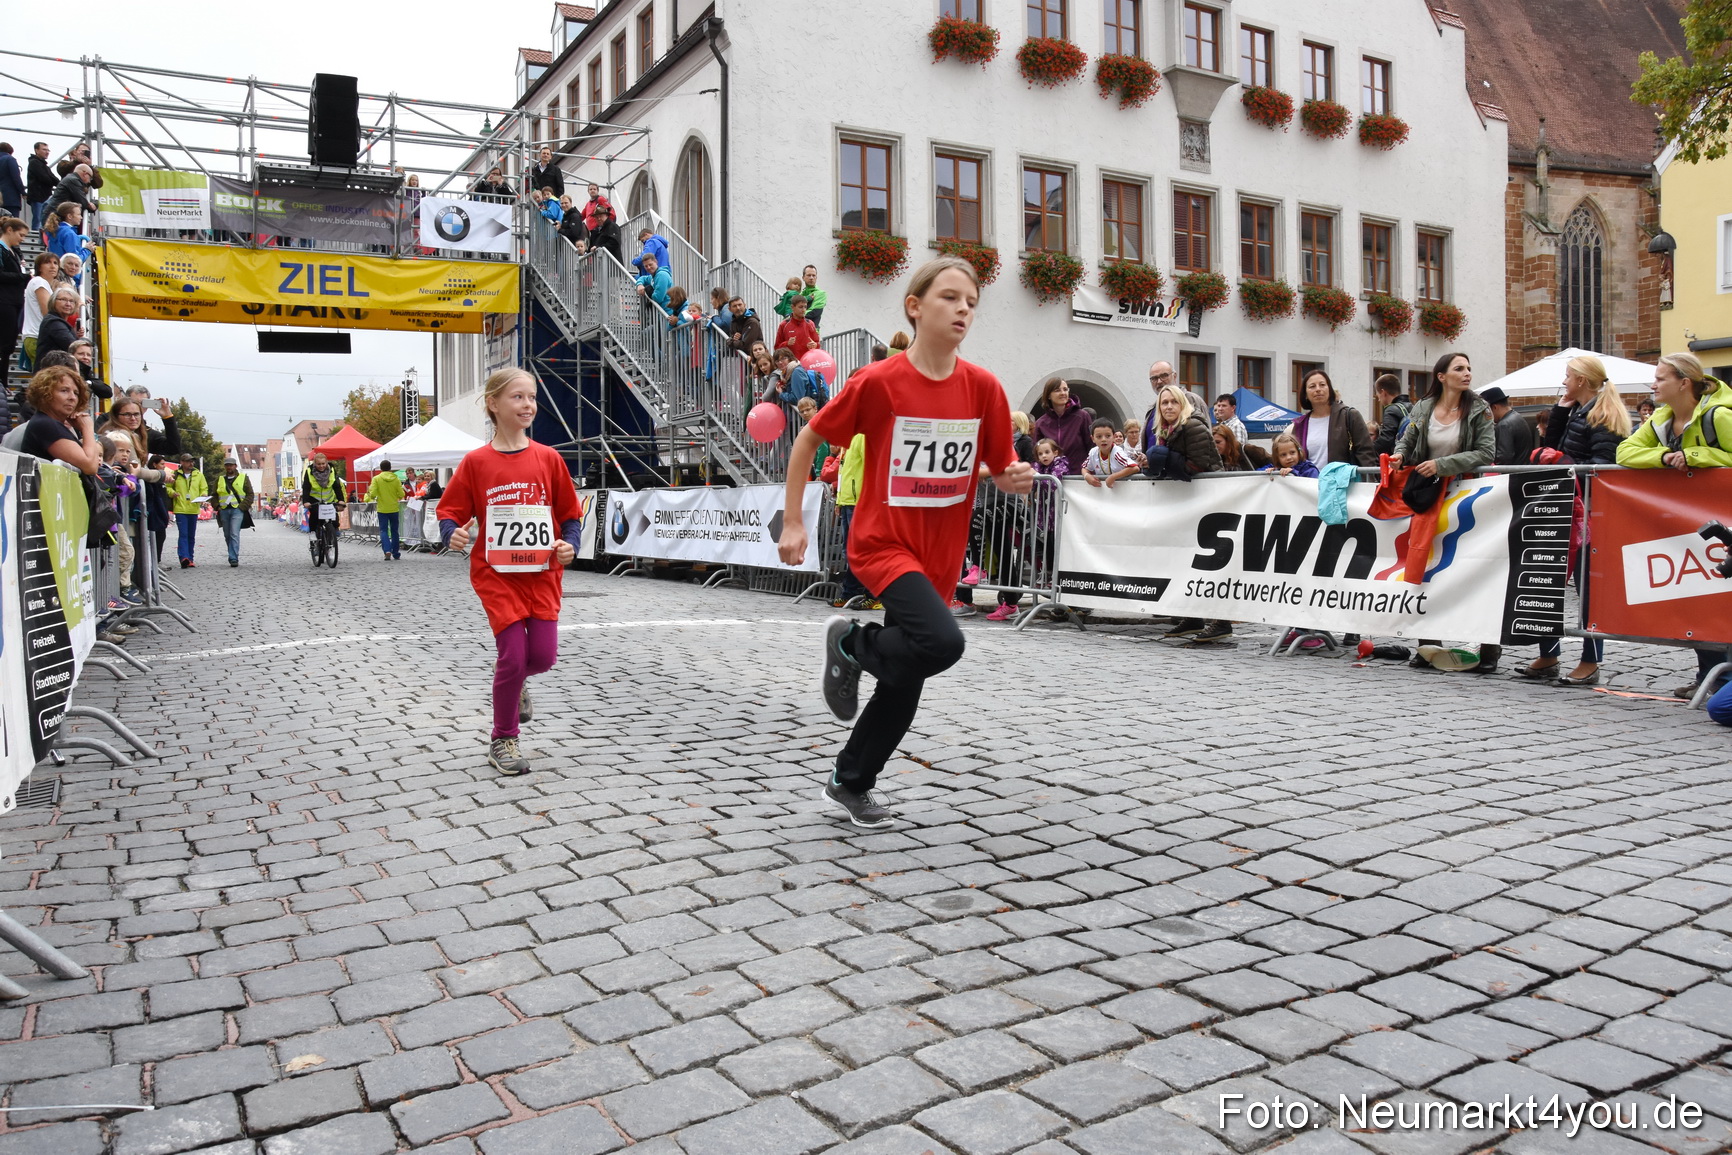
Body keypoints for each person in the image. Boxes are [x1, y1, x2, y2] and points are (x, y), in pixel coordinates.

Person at [778, 255, 1031, 828]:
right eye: (950, 297)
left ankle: (849, 782)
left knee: (905, 677)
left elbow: (999, 466)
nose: (963, 309)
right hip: (883, 544)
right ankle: (852, 642)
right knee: (942, 642)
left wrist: (1013, 477)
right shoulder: (879, 382)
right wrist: (793, 521)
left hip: (939, 556)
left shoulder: (984, 389)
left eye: (971, 301)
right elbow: (807, 441)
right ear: (915, 307)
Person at [438, 368, 582, 776]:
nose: (528, 405)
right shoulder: (476, 462)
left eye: (532, 397)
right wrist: (452, 533)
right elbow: (450, 511)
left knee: (543, 657)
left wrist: (570, 545)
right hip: (497, 574)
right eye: (517, 397)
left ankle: (514, 679)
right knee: (514, 656)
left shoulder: (549, 458)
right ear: (493, 404)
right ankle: (503, 738)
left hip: (542, 574)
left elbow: (570, 515)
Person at [1616, 352, 1732, 700]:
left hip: (1723, 524)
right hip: (1688, 526)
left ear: (1684, 383)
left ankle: (1722, 681)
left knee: (1718, 600)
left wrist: (1696, 456)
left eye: (1660, 378)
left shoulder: (1719, 415)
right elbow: (1624, 453)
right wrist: (1665, 456)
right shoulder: (1661, 420)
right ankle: (1708, 676)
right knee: (1695, 598)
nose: (1653, 384)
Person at [1517, 356, 1629, 685]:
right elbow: (1552, 450)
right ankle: (1549, 653)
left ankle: (1590, 660)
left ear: (1581, 380)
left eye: (1567, 376)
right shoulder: (1578, 411)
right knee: (1548, 579)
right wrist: (1560, 412)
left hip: (1589, 513)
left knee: (1588, 589)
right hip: (1566, 506)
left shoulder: (1603, 415)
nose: (1564, 381)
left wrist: (1562, 460)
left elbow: (1601, 466)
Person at [1391, 351, 1498, 672]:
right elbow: (1407, 439)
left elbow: (1486, 452)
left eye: (1469, 368)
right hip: (1430, 496)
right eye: (1459, 368)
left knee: (1476, 570)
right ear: (1441, 376)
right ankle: (1427, 647)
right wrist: (1399, 456)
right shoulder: (1423, 407)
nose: (1467, 373)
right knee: (1428, 568)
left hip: (1469, 495)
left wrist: (1442, 464)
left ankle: (1489, 650)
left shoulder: (1479, 408)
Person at [99, 396, 179, 574]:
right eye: (127, 414)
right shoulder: (120, 434)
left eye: (136, 414)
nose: (133, 418)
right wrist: (161, 475)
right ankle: (127, 582)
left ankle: (136, 579)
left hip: (130, 498)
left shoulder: (137, 433)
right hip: (123, 500)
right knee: (125, 550)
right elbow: (135, 469)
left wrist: (168, 417)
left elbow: (173, 447)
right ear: (116, 416)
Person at [18, 366, 99, 474]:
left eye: (76, 393)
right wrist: (87, 428)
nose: (72, 397)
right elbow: (90, 466)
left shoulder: (47, 422)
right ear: (44, 393)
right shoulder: (46, 424)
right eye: (64, 391)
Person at [1290, 369, 1374, 467]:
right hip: (1310, 477)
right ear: (1305, 394)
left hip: (1344, 476)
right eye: (1312, 386)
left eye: (1322, 385)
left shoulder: (1349, 416)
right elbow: (1292, 456)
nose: (1318, 389)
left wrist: (1368, 475)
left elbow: (1366, 453)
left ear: (1329, 389)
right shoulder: (1301, 424)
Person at [1147, 384, 1222, 479]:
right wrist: (1149, 463)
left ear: (1182, 404)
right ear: (1159, 407)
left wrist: (1164, 460)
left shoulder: (1193, 425)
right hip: (1182, 486)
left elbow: (1197, 466)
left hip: (1210, 484)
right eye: (1165, 403)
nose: (1169, 407)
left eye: (1174, 402)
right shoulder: (1163, 429)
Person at [1033, 377, 1094, 470]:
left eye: (1065, 389)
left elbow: (1092, 447)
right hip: (1052, 476)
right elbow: (1037, 454)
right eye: (1057, 390)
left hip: (1079, 475)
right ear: (1048, 395)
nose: (1063, 393)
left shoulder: (1082, 417)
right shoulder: (1041, 423)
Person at [300, 450, 348, 560]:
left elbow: (336, 486)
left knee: (333, 516)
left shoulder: (332, 470)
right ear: (314, 464)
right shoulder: (309, 472)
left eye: (323, 464)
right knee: (315, 515)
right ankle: (313, 533)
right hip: (314, 499)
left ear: (326, 463)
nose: (321, 466)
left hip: (328, 498)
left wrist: (341, 500)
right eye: (318, 464)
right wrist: (306, 501)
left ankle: (333, 533)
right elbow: (306, 488)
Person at [18, 250, 57, 374]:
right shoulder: (39, 282)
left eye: (55, 263)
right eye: (48, 262)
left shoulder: (42, 283)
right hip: (37, 337)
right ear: (39, 267)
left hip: (36, 336)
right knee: (44, 378)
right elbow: (48, 312)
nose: (52, 266)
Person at [168, 453, 208, 567]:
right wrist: (172, 493)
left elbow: (204, 488)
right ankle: (183, 557)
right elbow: (168, 487)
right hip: (180, 509)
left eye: (192, 461)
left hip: (193, 509)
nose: (191, 463)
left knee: (191, 535)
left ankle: (190, 558)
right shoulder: (175, 474)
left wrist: (203, 495)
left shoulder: (198, 475)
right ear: (182, 462)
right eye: (188, 461)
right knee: (183, 534)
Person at [212, 456, 252, 567]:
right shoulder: (219, 479)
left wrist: (242, 507)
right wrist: (217, 506)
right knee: (227, 534)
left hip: (237, 509)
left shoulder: (243, 478)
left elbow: (250, 494)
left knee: (234, 533)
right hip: (224, 510)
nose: (229, 467)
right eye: (227, 465)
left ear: (235, 466)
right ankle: (232, 553)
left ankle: (233, 557)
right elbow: (214, 495)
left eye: (231, 465)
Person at [0, 217, 25, 392]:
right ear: (9, 230)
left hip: (14, 301)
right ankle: (2, 382)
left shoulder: (13, 251)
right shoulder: (2, 249)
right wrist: (24, 277)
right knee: (4, 344)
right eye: (20, 235)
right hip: (5, 301)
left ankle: (4, 381)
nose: (22, 239)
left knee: (8, 345)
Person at [1082, 417, 1140, 488]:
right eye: (1099, 437)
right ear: (1093, 438)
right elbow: (1084, 468)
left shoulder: (1117, 452)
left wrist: (1113, 477)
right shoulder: (1093, 452)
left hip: (1123, 489)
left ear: (1113, 436)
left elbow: (1135, 468)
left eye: (1108, 436)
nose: (1103, 439)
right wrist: (1086, 476)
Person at [366, 458, 406, 560]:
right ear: (390, 468)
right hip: (394, 508)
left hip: (382, 508)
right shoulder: (396, 478)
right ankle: (396, 553)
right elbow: (401, 494)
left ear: (380, 468)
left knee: (383, 530)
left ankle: (387, 550)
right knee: (394, 531)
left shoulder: (376, 479)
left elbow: (373, 493)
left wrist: (376, 496)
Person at [36, 287, 82, 359]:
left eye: (71, 301)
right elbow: (74, 347)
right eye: (63, 299)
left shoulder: (57, 321)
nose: (68, 304)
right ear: (53, 302)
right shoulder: (53, 322)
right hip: (52, 365)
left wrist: (74, 333)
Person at [1372, 374, 1412, 458]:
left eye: (1378, 395)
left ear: (1383, 392)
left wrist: (1367, 450)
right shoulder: (1412, 406)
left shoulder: (1391, 410)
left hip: (1399, 459)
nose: (1378, 400)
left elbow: (1386, 440)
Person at [68, 339, 112, 405]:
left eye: (88, 355)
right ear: (71, 355)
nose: (85, 357)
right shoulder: (67, 371)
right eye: (81, 354)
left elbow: (108, 392)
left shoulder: (88, 373)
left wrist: (89, 383)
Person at [25, 142, 54, 233]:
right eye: (44, 149)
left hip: (43, 196)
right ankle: (37, 236)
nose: (47, 152)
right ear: (36, 150)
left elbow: (52, 178)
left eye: (48, 150)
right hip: (38, 196)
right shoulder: (34, 163)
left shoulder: (43, 165)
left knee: (43, 219)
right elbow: (45, 178)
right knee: (38, 220)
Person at [801, 264, 828, 330]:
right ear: (803, 277)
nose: (811, 278)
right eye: (809, 275)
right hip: (798, 330)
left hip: (812, 331)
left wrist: (795, 316)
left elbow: (814, 312)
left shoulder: (821, 293)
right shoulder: (801, 294)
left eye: (813, 275)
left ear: (816, 278)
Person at [0, 145, 21, 220]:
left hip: (1, 197)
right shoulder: (10, 159)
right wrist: (23, 192)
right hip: (11, 197)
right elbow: (16, 177)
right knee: (13, 222)